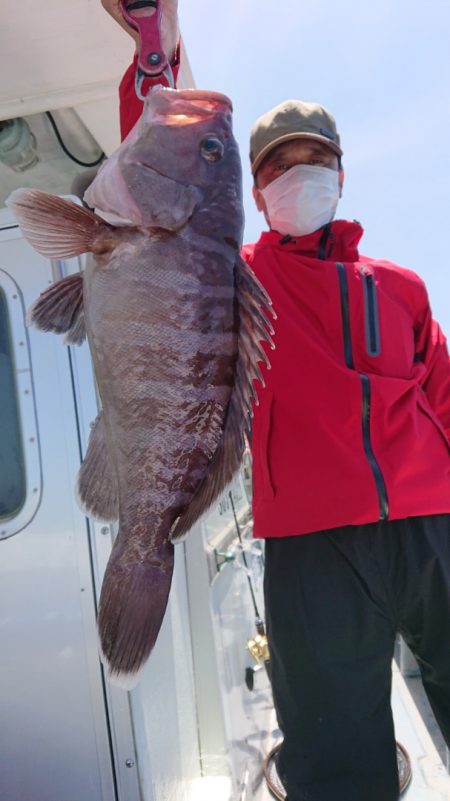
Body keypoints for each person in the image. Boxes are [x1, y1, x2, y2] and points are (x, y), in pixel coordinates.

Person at [102, 5, 450, 799]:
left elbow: (444, 392)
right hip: (311, 550)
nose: (300, 173)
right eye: (278, 166)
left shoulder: (402, 287)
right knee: (335, 761)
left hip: (434, 526)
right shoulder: (241, 272)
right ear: (256, 194)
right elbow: (161, 193)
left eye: (314, 158)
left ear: (341, 173)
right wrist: (155, 56)